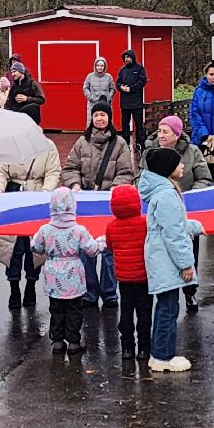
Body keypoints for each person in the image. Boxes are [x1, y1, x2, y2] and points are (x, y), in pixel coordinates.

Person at [63, 102, 135, 306]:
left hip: (110, 205)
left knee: (109, 250)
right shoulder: (82, 142)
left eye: (103, 115)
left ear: (109, 118)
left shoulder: (119, 143)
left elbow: (126, 172)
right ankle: (89, 292)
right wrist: (75, 184)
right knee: (86, 250)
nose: (100, 119)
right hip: (86, 205)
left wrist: (115, 188)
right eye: (96, 115)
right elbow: (70, 168)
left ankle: (109, 292)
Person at [140, 148, 201, 372]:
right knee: (168, 309)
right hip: (167, 260)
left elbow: (171, 225)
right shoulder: (167, 195)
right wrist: (186, 264)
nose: (182, 166)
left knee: (165, 307)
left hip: (161, 258)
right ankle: (163, 356)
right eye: (178, 163)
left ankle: (159, 354)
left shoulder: (161, 192)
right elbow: (173, 234)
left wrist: (193, 226)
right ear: (167, 168)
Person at [149, 115, 210, 312]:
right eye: (159, 131)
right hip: (160, 209)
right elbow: (141, 177)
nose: (160, 135)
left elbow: (204, 178)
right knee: (162, 251)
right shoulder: (151, 152)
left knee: (188, 250)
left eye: (165, 132)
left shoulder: (192, 152)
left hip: (186, 210)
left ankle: (190, 291)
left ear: (176, 134)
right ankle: (165, 292)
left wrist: (190, 196)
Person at [31, 187, 101, 355]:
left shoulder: (45, 230)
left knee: (56, 309)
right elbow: (91, 250)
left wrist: (33, 241)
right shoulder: (79, 230)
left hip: (53, 276)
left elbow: (36, 247)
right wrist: (101, 243)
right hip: (73, 276)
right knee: (74, 309)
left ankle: (57, 341)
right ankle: (74, 342)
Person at [0, 146, 62, 308]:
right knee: (12, 247)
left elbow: (53, 171)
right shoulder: (8, 143)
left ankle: (31, 284)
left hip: (37, 197)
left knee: (34, 247)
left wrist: (46, 191)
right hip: (13, 196)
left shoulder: (48, 146)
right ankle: (14, 287)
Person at [105, 184, 150, 362]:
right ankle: (144, 349)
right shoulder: (145, 222)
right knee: (144, 313)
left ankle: (127, 348)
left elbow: (110, 246)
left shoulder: (111, 226)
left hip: (124, 277)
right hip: (144, 276)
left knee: (126, 311)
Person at [116, 49, 148, 150]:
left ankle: (140, 143)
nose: (127, 59)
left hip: (136, 102)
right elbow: (118, 83)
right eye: (125, 57)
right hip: (125, 103)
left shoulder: (139, 69)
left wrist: (131, 88)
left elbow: (142, 81)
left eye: (128, 57)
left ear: (133, 58)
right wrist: (121, 87)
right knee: (125, 124)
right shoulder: (122, 70)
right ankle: (125, 144)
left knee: (138, 124)